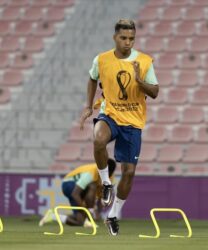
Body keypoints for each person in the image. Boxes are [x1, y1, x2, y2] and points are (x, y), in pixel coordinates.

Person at [79, 19, 159, 236]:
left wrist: (139, 81)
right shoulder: (102, 59)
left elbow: (154, 92)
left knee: (129, 173)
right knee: (98, 139)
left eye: (131, 38)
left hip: (133, 121)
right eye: (124, 38)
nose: (128, 42)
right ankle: (105, 183)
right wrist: (88, 106)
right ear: (115, 37)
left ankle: (112, 214)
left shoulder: (144, 61)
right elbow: (92, 78)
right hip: (110, 113)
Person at [39, 159, 116, 227]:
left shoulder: (110, 179)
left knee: (80, 222)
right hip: (68, 184)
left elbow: (100, 196)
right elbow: (75, 194)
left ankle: (52, 216)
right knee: (92, 186)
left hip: (80, 189)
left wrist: (98, 213)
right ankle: (89, 215)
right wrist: (89, 212)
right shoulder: (90, 173)